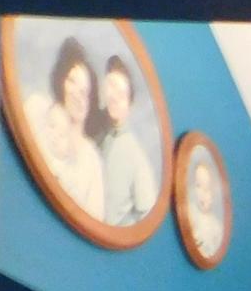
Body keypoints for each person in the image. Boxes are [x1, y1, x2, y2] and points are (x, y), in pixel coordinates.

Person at [32, 37, 104, 220]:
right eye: (72, 81)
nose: (77, 95)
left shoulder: (91, 159)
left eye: (85, 92)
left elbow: (95, 220)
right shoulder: (37, 110)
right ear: (61, 81)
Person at [96, 54, 158, 227]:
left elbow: (146, 215)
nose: (114, 97)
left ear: (129, 104)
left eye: (122, 94)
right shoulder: (94, 133)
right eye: (111, 86)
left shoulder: (135, 156)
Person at [186, 153, 224, 259]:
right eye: (198, 185)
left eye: (207, 189)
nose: (202, 193)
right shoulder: (190, 212)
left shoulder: (216, 227)